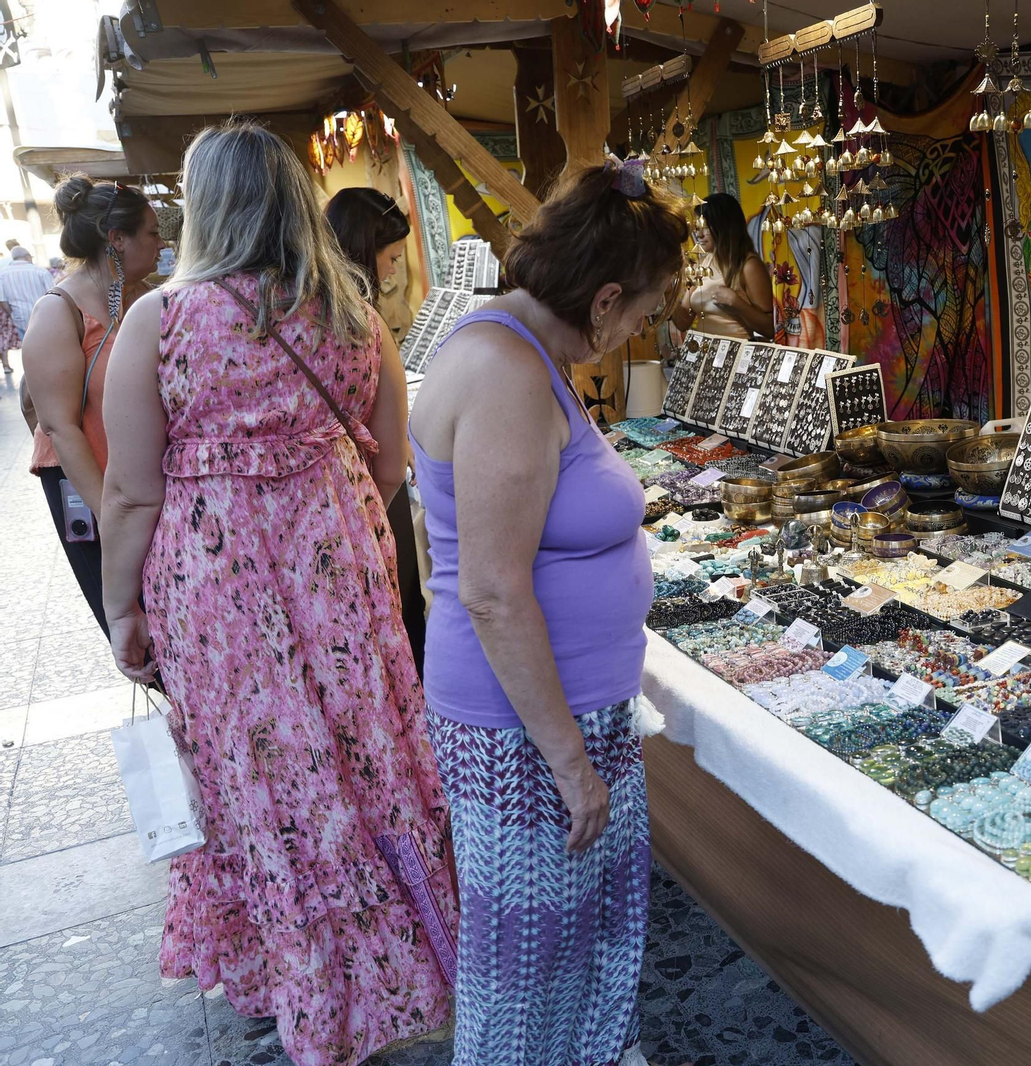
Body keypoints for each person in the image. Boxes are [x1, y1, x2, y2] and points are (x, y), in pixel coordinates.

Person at [98, 122, 457, 1066]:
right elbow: (385, 457)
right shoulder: (356, 315)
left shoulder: (162, 321)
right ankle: (401, 961)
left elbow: (132, 491)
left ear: (203, 205)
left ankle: (298, 979)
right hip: (344, 576)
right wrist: (324, 524)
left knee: (263, 784)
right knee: (365, 762)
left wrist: (124, 612)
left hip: (216, 600)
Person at [408, 158, 684, 1065]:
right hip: (528, 731)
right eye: (643, 313)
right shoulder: (508, 376)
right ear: (604, 300)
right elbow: (490, 587)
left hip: (551, 715)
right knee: (528, 970)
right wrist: (569, 761)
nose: (640, 331)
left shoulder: (516, 353)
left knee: (574, 954)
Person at [25, 179, 164, 637]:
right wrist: (112, 519)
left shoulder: (146, 297)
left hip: (142, 483)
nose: (161, 244)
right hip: (86, 480)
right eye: (151, 233)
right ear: (116, 240)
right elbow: (59, 427)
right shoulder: (58, 310)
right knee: (136, 621)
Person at [324, 187, 427, 674]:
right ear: (364, 249)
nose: (392, 272)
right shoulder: (360, 321)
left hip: (332, 507)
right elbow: (391, 457)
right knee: (400, 619)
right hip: (370, 496)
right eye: (390, 258)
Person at [673, 191, 772, 340]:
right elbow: (683, 324)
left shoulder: (748, 265)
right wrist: (668, 294)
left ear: (724, 226)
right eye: (697, 228)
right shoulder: (701, 265)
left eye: (705, 227)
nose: (698, 235)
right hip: (703, 355)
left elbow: (770, 329)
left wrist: (736, 303)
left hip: (736, 357)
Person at [1, 246, 56, 336]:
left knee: (28, 347)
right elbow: (54, 295)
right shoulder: (41, 272)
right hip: (44, 316)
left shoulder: (2, 274)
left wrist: (12, 315)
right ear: (27, 257)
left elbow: (2, 301)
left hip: (20, 318)